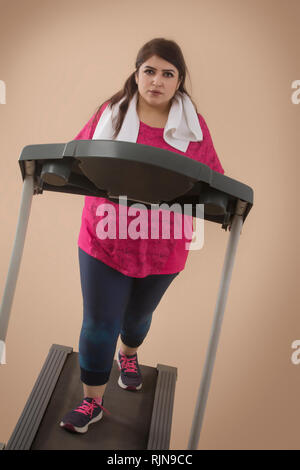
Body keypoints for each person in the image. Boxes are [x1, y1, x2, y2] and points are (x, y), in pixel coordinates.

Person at [60, 37, 224, 434]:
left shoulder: (194, 127)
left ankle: (129, 354)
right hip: (105, 237)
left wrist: (226, 207)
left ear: (179, 81)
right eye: (149, 70)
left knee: (137, 318)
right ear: (137, 74)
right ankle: (92, 402)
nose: (157, 80)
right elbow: (77, 157)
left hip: (163, 246)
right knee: (100, 322)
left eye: (168, 73)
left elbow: (212, 180)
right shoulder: (110, 114)